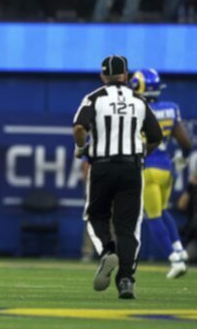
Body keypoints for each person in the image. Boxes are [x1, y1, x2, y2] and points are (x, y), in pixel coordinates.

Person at [73, 55, 163, 299]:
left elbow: (79, 128)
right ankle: (126, 280)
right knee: (128, 227)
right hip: (131, 168)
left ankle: (106, 250)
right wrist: (141, 153)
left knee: (95, 215)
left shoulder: (94, 98)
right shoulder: (139, 100)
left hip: (101, 166)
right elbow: (156, 136)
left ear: (103, 76)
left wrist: (82, 147)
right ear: (126, 75)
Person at [130, 69, 193, 278]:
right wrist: (183, 158)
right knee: (163, 211)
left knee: (153, 216)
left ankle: (174, 260)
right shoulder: (170, 109)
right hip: (167, 169)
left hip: (146, 169)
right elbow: (186, 142)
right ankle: (179, 250)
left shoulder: (134, 109)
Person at [178, 171, 197, 262]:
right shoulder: (192, 190)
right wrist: (190, 188)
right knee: (186, 257)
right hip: (194, 237)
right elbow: (181, 205)